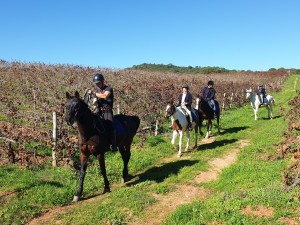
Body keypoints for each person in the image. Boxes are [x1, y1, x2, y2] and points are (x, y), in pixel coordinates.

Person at [88, 73, 118, 152]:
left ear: (103, 81)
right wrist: (94, 103)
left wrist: (94, 93)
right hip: (98, 110)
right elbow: (95, 100)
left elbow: (105, 96)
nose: (97, 85)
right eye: (96, 83)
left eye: (98, 83)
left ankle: (113, 144)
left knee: (111, 126)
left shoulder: (109, 89)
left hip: (107, 111)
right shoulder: (97, 90)